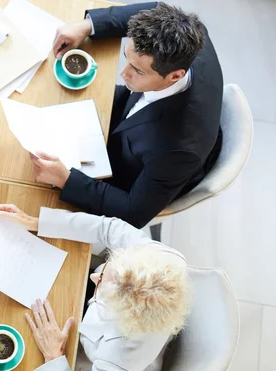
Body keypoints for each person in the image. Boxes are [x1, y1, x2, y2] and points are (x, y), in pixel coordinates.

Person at [31, 2, 223, 228]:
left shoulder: (177, 151)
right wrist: (86, 26)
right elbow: (156, 8)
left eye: (138, 70)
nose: (123, 73)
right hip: (133, 120)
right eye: (126, 57)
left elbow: (133, 212)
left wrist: (66, 179)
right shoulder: (194, 32)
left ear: (174, 76)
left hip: (138, 170)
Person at [0, 204, 190, 371]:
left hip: (88, 361)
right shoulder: (158, 259)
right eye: (106, 270)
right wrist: (36, 222)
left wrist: (54, 356)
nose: (95, 278)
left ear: (119, 313)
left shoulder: (117, 356)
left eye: (103, 284)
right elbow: (107, 228)